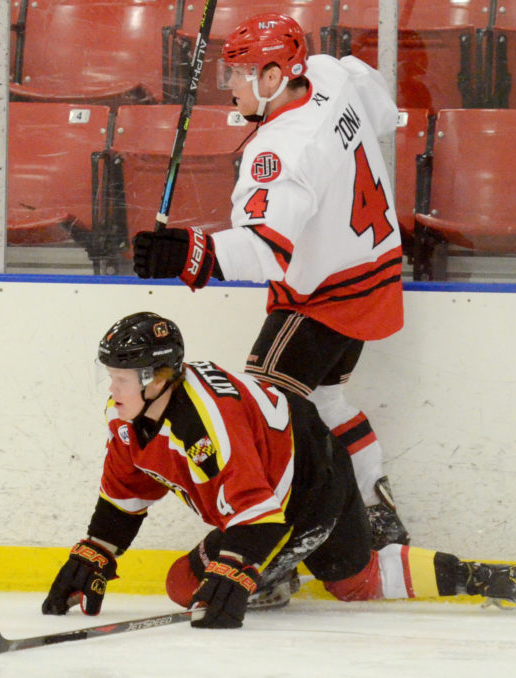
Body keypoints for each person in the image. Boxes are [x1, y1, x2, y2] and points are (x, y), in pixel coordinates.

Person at [41, 312, 516, 629]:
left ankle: (490, 577)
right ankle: (277, 576)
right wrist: (94, 553)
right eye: (109, 376)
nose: (113, 389)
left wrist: (235, 573)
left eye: (123, 378)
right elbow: (124, 495)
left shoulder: (207, 427)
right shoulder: (126, 416)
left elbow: (262, 517)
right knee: (186, 585)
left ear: (159, 378)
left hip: (311, 485)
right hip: (271, 482)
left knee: (354, 584)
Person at [131, 12, 409, 551]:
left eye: (240, 73)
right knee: (326, 397)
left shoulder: (277, 152)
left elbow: (263, 253)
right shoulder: (329, 73)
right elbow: (382, 109)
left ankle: (286, 544)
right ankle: (377, 509)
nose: (229, 85)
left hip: (325, 294)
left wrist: (186, 252)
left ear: (276, 76)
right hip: (375, 270)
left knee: (266, 410)